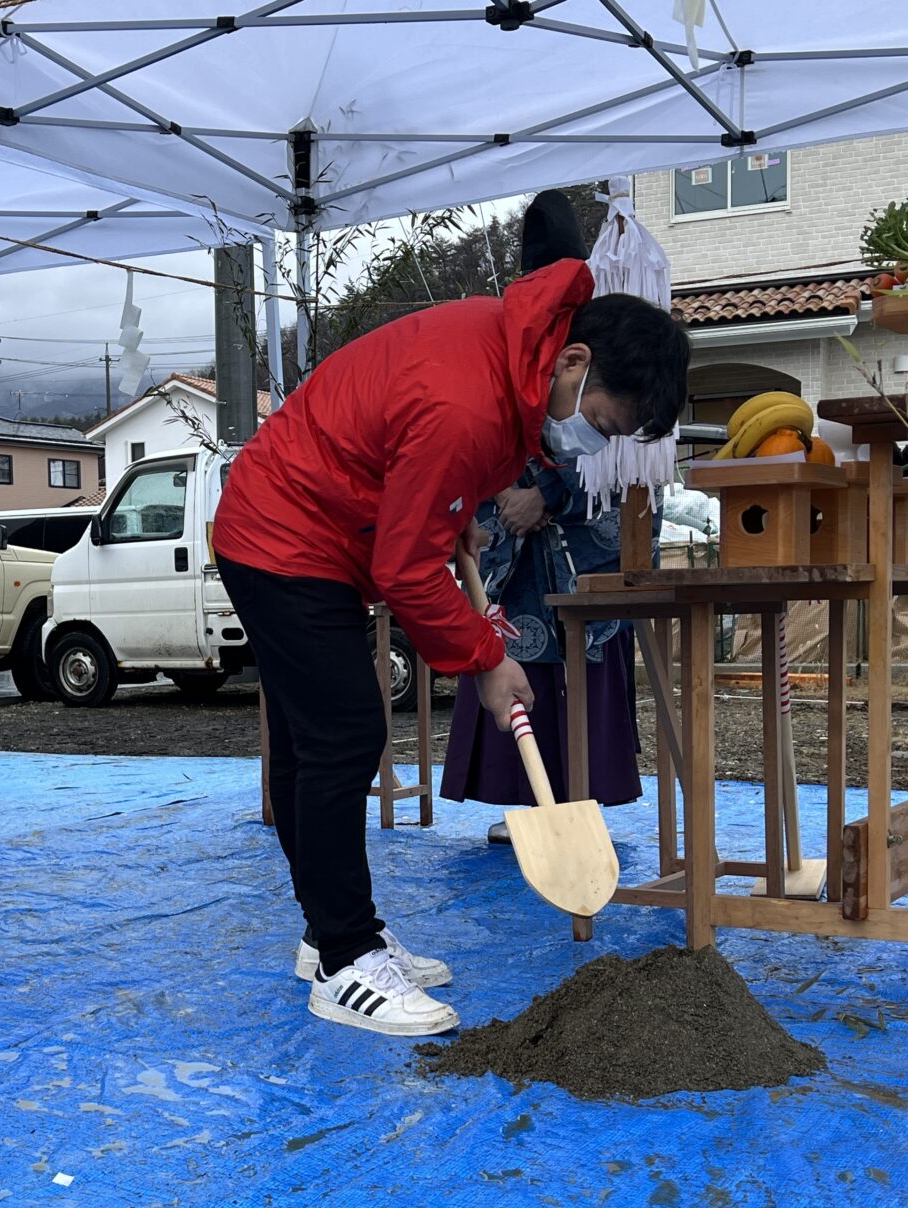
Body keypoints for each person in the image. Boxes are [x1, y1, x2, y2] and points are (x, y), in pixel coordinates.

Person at [212, 263, 689, 1038]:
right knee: (344, 733)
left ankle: (331, 930)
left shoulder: (513, 353)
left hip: (316, 522)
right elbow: (405, 567)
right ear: (574, 365)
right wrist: (485, 660)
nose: (589, 443)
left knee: (315, 738)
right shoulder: (468, 402)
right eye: (600, 424)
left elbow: (423, 474)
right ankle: (345, 960)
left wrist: (449, 509)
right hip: (283, 533)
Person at [443, 189, 645, 838]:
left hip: (581, 535)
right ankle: (527, 800)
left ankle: (580, 796)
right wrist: (497, 489)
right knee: (515, 652)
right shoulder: (506, 333)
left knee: (579, 656)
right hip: (509, 533)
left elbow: (623, 446)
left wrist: (547, 494)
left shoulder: (604, 342)